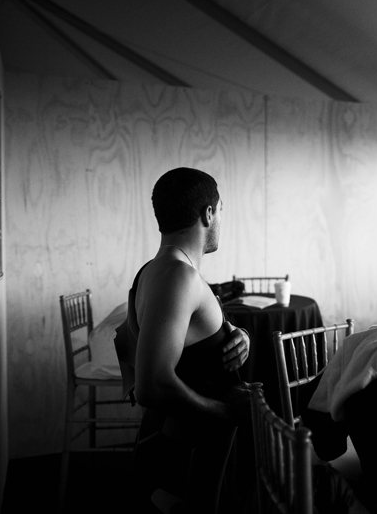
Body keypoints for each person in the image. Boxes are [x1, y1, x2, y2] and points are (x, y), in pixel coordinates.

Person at [129, 167, 252, 512]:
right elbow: (151, 384)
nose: (220, 220)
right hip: (181, 461)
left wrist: (238, 335)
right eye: (221, 211)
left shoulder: (161, 270)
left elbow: (195, 341)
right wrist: (224, 410)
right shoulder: (177, 277)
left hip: (188, 456)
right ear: (208, 213)